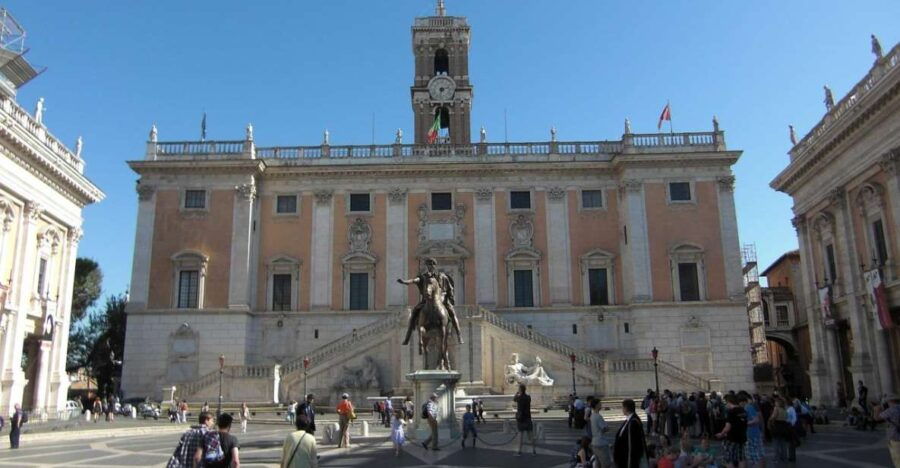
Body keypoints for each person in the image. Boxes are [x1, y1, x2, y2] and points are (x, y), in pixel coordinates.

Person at [715, 394, 747, 468]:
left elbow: (728, 427)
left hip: (731, 438)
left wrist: (721, 434)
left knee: (728, 459)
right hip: (742, 437)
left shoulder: (731, 412)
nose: (726, 405)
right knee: (741, 458)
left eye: (726, 402)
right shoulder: (743, 410)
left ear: (729, 402)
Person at [613, 398, 646, 468]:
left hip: (627, 459)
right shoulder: (629, 421)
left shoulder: (633, 422)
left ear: (626, 408)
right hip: (623, 457)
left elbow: (632, 444)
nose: (622, 409)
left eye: (622, 407)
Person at [874, 394, 900, 468]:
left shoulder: (891, 410)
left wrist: (876, 409)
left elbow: (877, 418)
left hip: (895, 437)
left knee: (898, 459)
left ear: (890, 401)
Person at [739, 393, 763, 468]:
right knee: (756, 456)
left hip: (752, 435)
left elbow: (756, 420)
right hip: (753, 434)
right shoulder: (748, 407)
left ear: (742, 401)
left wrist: (744, 423)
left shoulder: (748, 407)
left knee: (754, 457)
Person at [588, 398, 612, 468]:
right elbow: (604, 428)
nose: (601, 405)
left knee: (597, 463)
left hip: (594, 442)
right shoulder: (598, 416)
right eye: (600, 404)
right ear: (596, 405)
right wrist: (608, 427)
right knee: (606, 463)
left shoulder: (592, 415)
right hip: (601, 442)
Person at [514, 384, 536, 456]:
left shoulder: (519, 398)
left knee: (520, 435)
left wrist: (517, 393)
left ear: (520, 390)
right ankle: (533, 450)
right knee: (531, 435)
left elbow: (514, 399)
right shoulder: (528, 397)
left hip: (521, 418)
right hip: (528, 418)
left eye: (519, 389)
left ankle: (519, 451)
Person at [768, 397, 790, 464]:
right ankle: (784, 457)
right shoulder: (785, 409)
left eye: (776, 402)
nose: (775, 403)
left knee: (776, 443)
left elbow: (773, 417)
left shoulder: (776, 408)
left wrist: (770, 420)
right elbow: (786, 417)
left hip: (777, 426)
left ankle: (775, 458)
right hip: (784, 426)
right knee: (783, 444)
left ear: (778, 403)